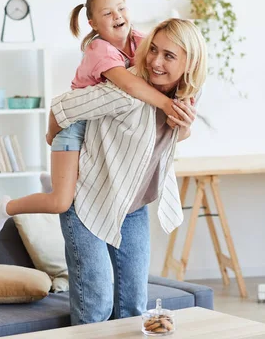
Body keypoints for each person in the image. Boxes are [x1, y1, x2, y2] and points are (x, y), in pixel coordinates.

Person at [0, 0, 180, 237]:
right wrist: (166, 104)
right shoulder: (99, 49)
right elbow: (129, 84)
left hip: (103, 127)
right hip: (76, 125)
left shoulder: (141, 42)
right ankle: (7, 208)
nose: (117, 16)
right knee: (61, 202)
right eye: (107, 13)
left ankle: (55, 181)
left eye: (121, 8)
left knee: (86, 183)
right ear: (93, 24)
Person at [49, 18, 206, 324]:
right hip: (88, 202)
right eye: (153, 50)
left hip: (132, 205)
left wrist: (184, 128)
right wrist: (51, 137)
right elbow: (61, 108)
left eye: (169, 56)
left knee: (133, 305)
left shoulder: (187, 94)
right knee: (96, 305)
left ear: (191, 63)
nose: (155, 62)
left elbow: (164, 139)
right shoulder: (126, 89)